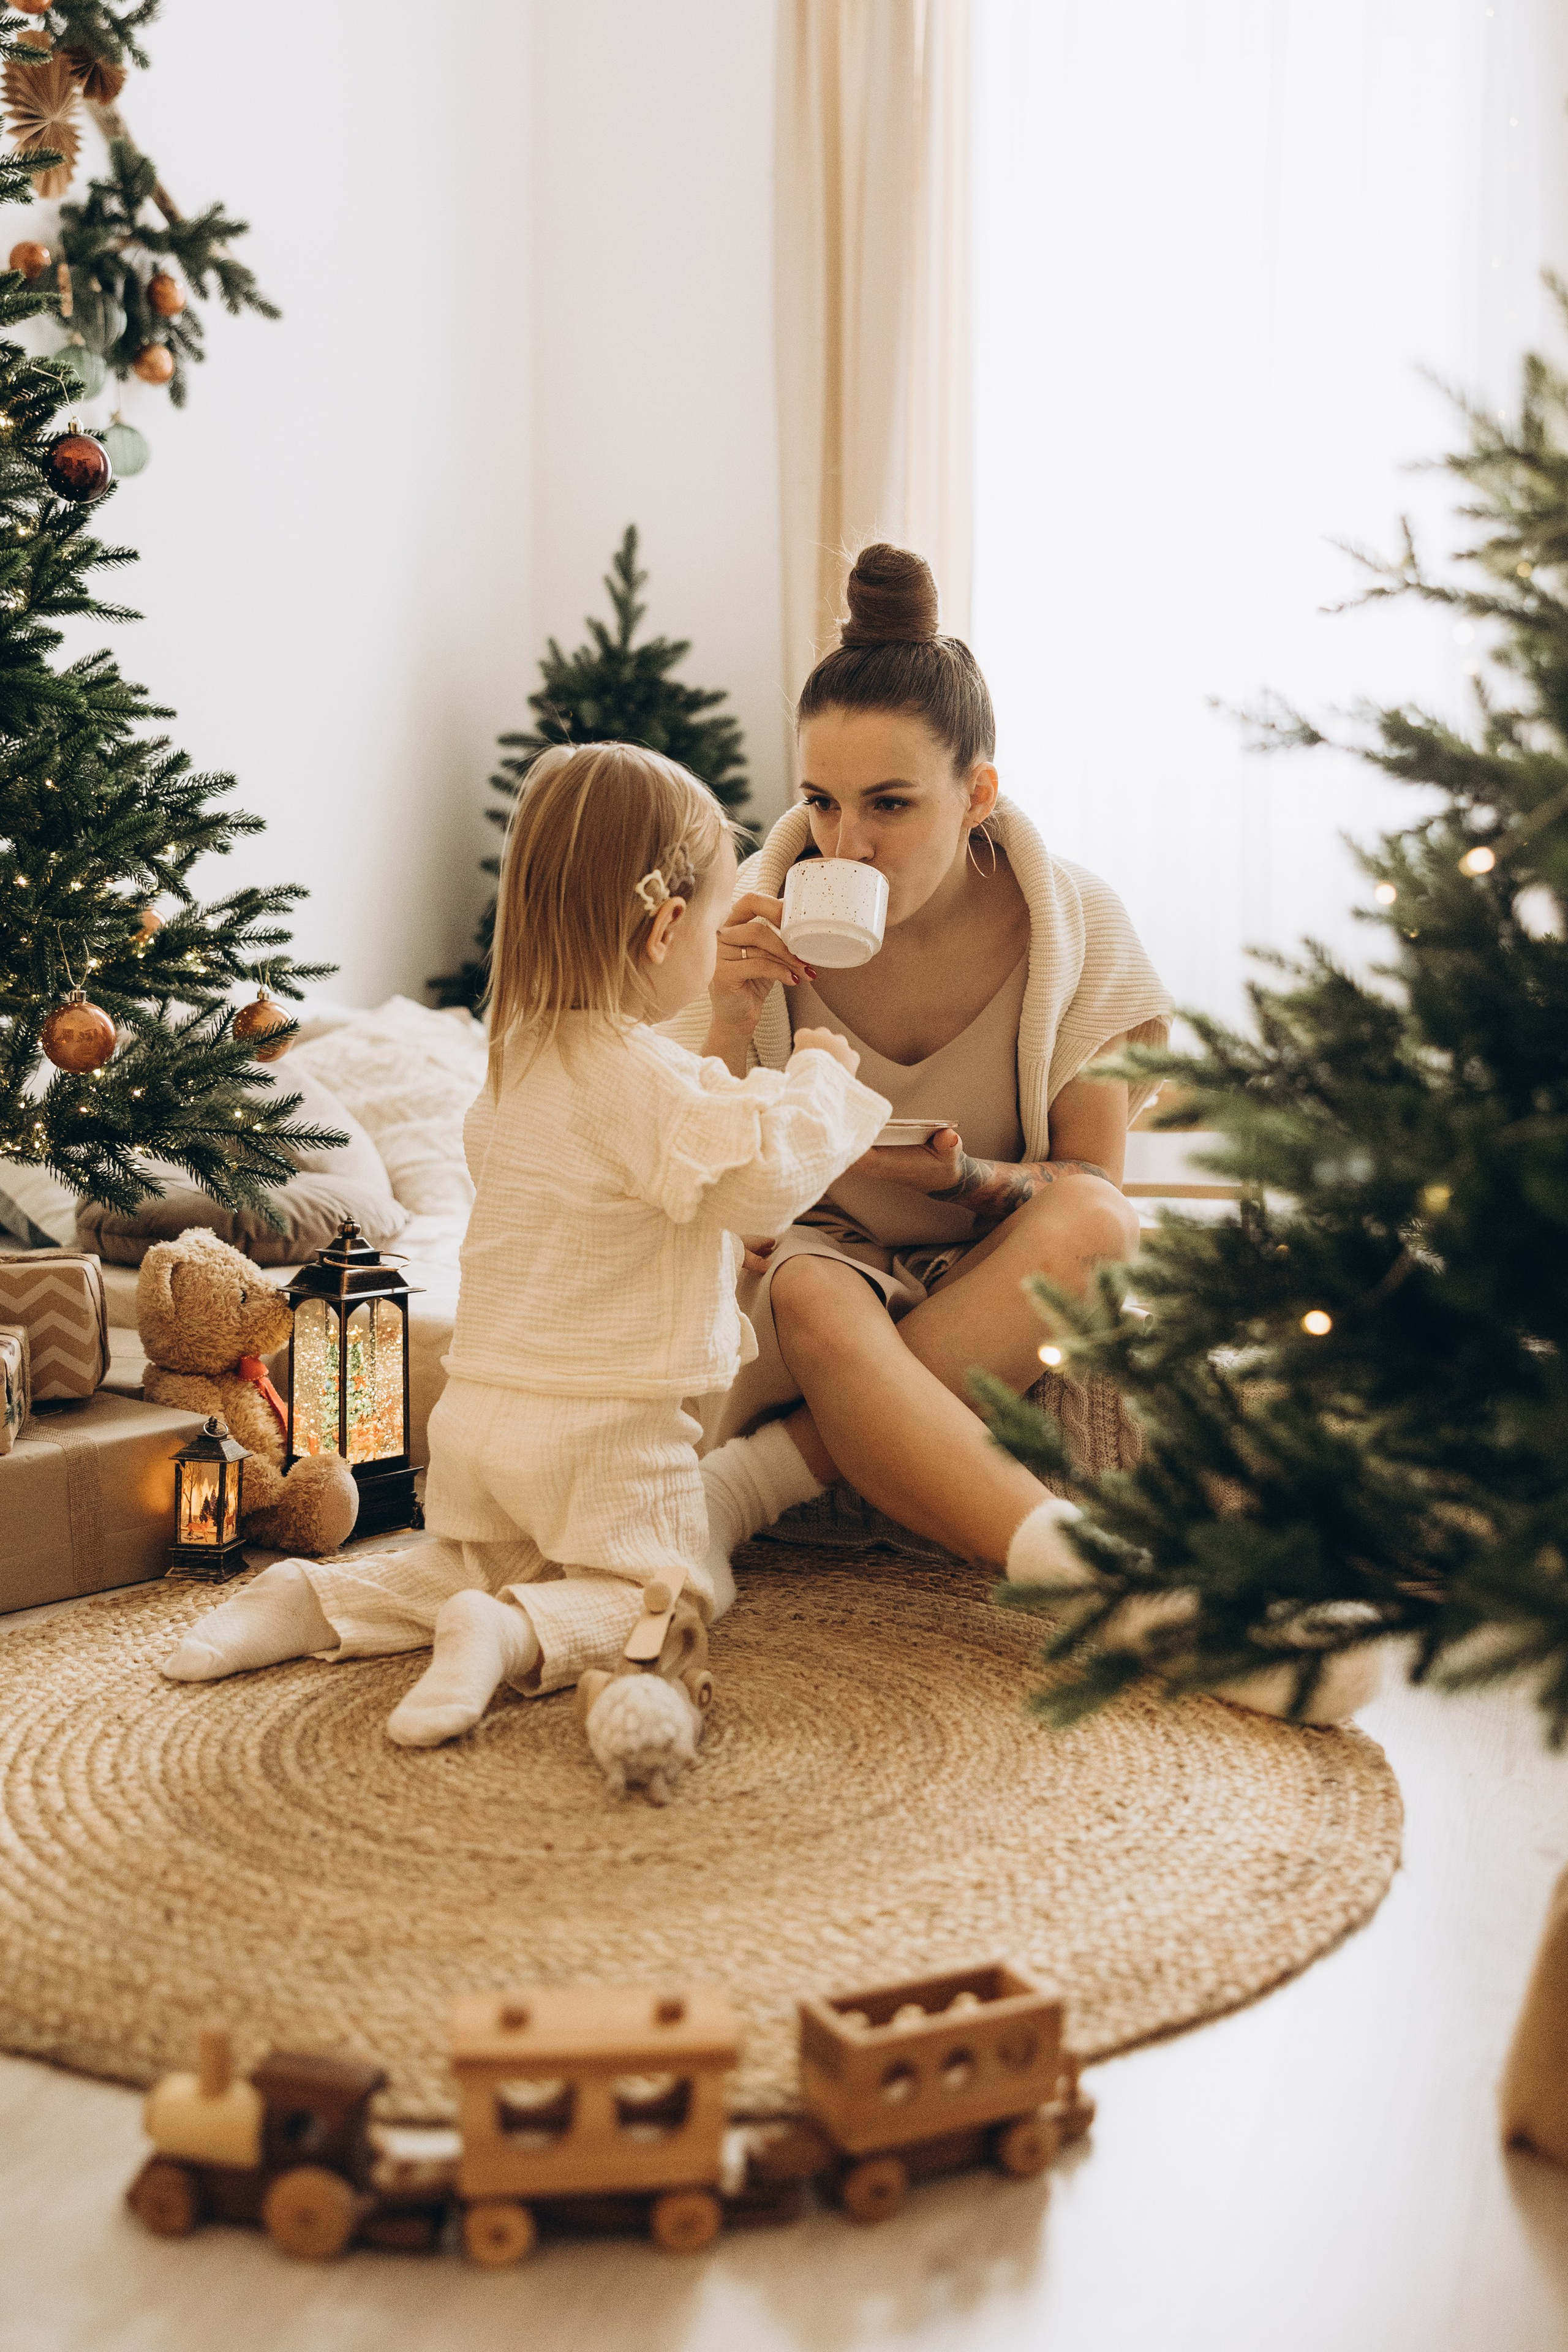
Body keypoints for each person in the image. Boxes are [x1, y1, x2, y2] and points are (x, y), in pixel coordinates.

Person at [678, 544, 1381, 1722]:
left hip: (985, 1265)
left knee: (1104, 1224)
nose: (845, 845)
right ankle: (1123, 1593)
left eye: (891, 804)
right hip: (816, 1265)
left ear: (979, 795)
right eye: (821, 801)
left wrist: (972, 1180)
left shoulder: (1077, 926)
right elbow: (699, 1170)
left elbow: (1089, 1191)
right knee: (809, 1291)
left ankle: (754, 1482)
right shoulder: (755, 922)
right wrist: (728, 1009)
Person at [161, 742, 890, 1787]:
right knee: (676, 1587)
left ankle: (304, 1603)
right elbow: (764, 1177)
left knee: (470, 1559)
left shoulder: (517, 1063)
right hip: (606, 1429)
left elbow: (630, 1194)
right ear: (667, 927)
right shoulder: (644, 1080)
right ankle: (506, 1639)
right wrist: (820, 1080)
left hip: (486, 1417)